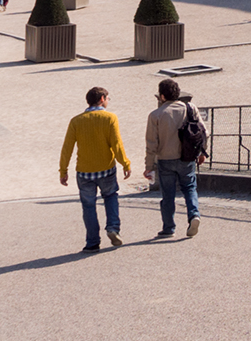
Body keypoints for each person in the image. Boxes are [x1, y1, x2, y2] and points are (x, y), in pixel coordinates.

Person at [59, 86, 132, 251]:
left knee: (88, 205)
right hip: (106, 169)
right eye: (107, 99)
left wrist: (63, 171)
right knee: (111, 196)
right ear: (102, 99)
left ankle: (92, 242)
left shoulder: (76, 121)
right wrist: (125, 163)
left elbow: (67, 148)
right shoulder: (110, 118)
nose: (107, 102)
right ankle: (113, 228)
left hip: (84, 172)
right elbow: (117, 144)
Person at [144, 77, 206, 239]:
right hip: (187, 157)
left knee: (168, 195)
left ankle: (168, 228)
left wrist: (149, 165)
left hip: (165, 159)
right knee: (190, 188)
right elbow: (203, 132)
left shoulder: (155, 115)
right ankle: (194, 215)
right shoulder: (190, 108)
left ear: (162, 96)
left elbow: (151, 143)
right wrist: (203, 152)